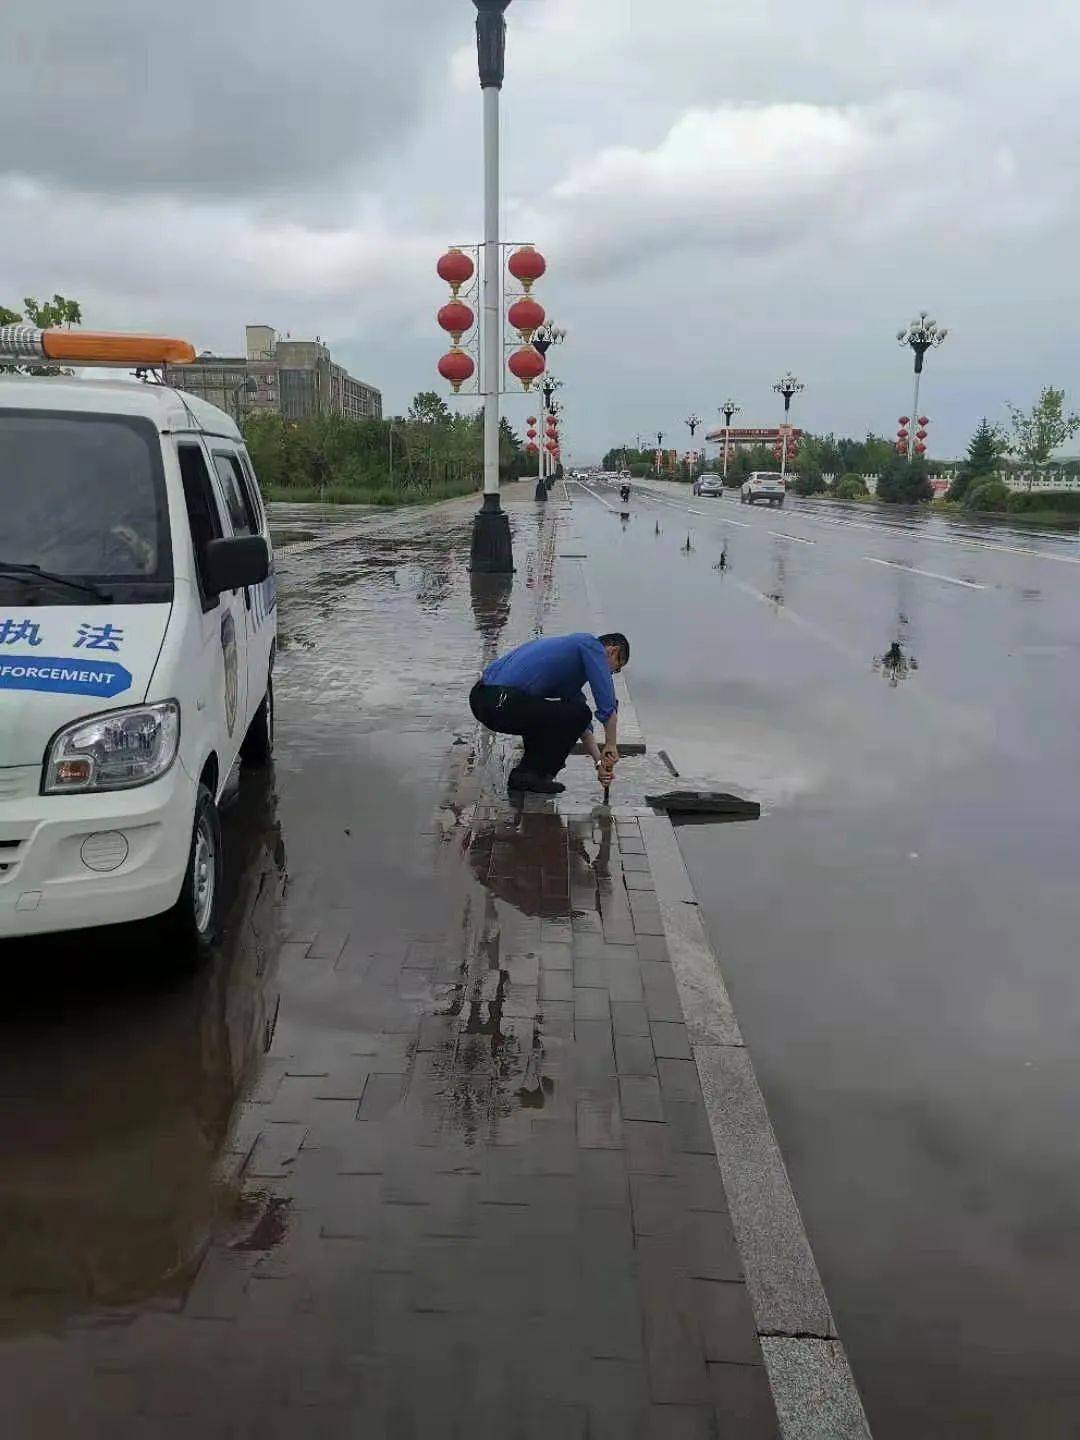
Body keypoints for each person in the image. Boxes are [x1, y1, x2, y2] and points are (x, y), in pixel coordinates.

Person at [470, 631, 629, 795]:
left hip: (481, 699)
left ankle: (525, 775)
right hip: (500, 699)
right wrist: (611, 744)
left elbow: (581, 725)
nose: (609, 674)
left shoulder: (569, 665)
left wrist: (599, 763)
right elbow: (606, 703)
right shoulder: (591, 645)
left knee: (567, 715)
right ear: (613, 651)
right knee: (577, 714)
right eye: (615, 669)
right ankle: (537, 774)